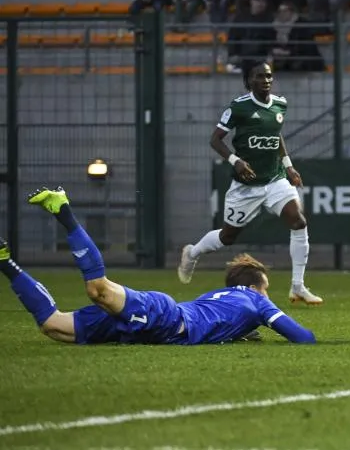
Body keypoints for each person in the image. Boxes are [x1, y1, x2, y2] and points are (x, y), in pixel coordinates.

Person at [0, 186, 315, 346]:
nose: (266, 294)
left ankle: (6, 262)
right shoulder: (255, 299)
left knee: (53, 326)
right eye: (266, 288)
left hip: (147, 326)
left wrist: (242, 333)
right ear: (254, 285)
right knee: (98, 290)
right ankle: (63, 209)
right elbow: (302, 337)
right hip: (162, 317)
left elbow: (220, 324)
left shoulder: (222, 298)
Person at [178, 61, 323, 306]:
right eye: (259, 76)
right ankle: (192, 253)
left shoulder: (280, 104)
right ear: (249, 81)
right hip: (246, 186)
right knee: (227, 237)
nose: (265, 80)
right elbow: (215, 140)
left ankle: (297, 286)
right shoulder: (239, 107)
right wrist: (235, 161)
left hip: (275, 179)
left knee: (298, 221)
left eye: (268, 76)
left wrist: (288, 166)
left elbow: (276, 135)